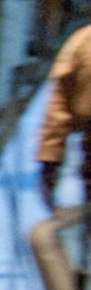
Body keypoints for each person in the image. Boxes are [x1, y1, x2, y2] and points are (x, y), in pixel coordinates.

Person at [37, 23, 91, 209]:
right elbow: (59, 107)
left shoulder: (81, 40)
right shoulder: (82, 41)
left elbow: (58, 109)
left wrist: (49, 161)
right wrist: (49, 159)